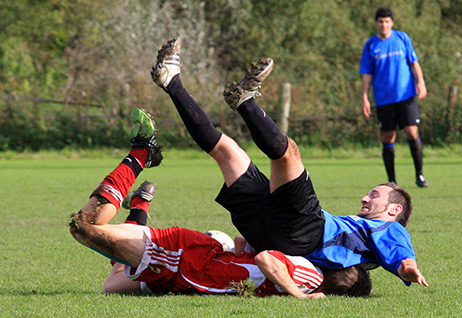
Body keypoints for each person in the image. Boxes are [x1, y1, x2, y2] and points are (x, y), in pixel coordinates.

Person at [151, 37, 428, 288]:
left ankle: (245, 100)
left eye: (375, 195)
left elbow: (403, 258)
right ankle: (171, 82)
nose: (365, 197)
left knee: (289, 153)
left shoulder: (391, 228)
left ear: (394, 209)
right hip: (272, 237)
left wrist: (409, 270)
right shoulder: (364, 235)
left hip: (306, 233)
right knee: (227, 150)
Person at [68, 109, 371, 298]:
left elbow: (246, 249)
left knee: (108, 277)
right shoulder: (311, 274)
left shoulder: (303, 274)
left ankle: (139, 204)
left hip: (180, 272)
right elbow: (266, 260)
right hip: (182, 255)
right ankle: (141, 155)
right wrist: (298, 296)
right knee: (85, 227)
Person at [359, 7, 429, 188]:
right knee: (388, 137)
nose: (384, 25)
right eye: (381, 22)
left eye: (387, 21)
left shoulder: (402, 38)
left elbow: (414, 63)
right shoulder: (370, 45)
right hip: (384, 99)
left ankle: (419, 175)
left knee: (412, 133)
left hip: (406, 95)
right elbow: (367, 74)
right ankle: (392, 181)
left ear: (392, 23)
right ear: (376, 23)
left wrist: (420, 82)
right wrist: (365, 98)